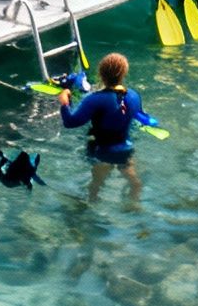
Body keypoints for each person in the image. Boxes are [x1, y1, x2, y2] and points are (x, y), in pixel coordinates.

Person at [59, 53, 159, 202]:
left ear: (100, 74)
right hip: (125, 148)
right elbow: (139, 115)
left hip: (103, 151)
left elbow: (70, 122)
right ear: (124, 74)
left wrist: (64, 102)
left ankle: (91, 206)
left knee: (95, 187)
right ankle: (134, 203)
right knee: (133, 180)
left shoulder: (94, 100)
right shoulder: (133, 96)